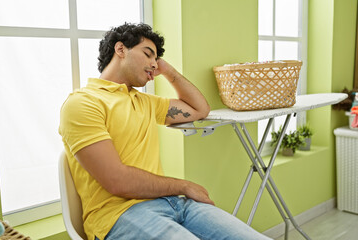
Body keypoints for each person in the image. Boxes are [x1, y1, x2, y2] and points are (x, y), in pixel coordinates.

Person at [59, 23, 272, 240]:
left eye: (156, 60)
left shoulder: (145, 102)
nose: (154, 64)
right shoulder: (83, 103)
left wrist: (169, 71)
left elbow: (200, 109)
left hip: (174, 204)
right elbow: (117, 180)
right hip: (119, 216)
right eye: (148, 54)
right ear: (121, 49)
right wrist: (184, 186)